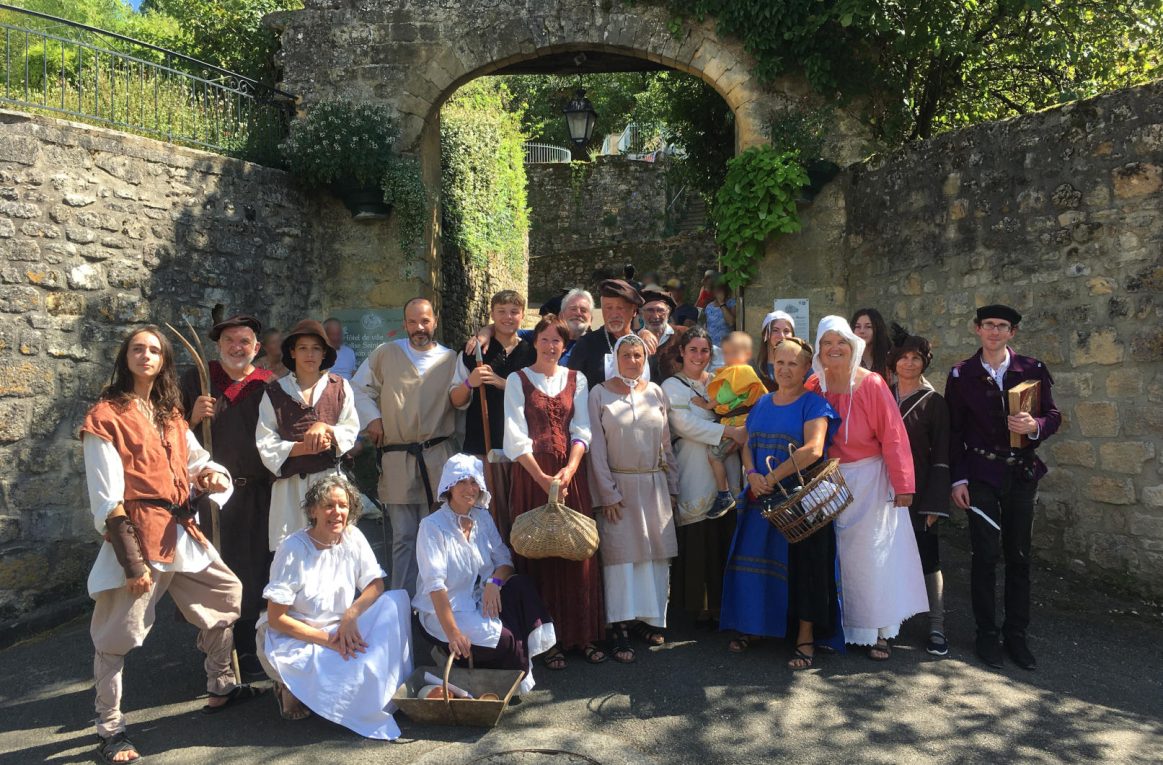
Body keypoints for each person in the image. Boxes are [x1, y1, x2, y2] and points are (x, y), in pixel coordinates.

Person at [82, 326, 259, 765]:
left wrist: (211, 475)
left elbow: (196, 459)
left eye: (155, 350)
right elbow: (106, 499)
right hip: (140, 535)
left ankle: (220, 684)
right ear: (126, 357)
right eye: (138, 349)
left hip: (181, 529)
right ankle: (110, 729)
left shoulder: (169, 413)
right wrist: (132, 563)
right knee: (116, 635)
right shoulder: (106, 416)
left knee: (226, 594)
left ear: (163, 361)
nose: (146, 355)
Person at [805, 316, 928, 660]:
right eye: (827, 343)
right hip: (828, 480)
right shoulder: (815, 385)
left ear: (854, 345)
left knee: (872, 557)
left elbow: (893, 436)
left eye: (841, 341)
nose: (835, 349)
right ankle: (836, 625)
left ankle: (876, 631)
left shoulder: (871, 384)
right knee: (835, 556)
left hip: (871, 479)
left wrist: (904, 484)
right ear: (819, 348)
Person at [945, 304, 1060, 670]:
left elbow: (1053, 415)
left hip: (1021, 474)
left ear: (1013, 333)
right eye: (989, 325)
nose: (995, 332)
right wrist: (958, 478)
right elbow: (954, 432)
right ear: (977, 329)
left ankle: (1016, 634)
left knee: (1019, 556)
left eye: (1002, 327)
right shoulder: (962, 374)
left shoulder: (1032, 369)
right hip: (980, 475)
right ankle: (986, 634)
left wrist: (1035, 426)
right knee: (984, 555)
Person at [258, 474, 413, 738]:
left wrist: (351, 615)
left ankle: (353, 687)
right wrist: (329, 640)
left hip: (341, 625)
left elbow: (375, 585)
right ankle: (288, 685)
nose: (337, 512)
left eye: (343, 506)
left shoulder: (352, 536)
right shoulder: (293, 549)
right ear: (312, 511)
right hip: (299, 636)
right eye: (329, 505)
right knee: (350, 672)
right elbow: (277, 619)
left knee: (396, 601)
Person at [722, 337, 843, 667]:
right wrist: (751, 473)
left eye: (793, 363)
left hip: (797, 501)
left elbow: (814, 449)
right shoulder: (762, 402)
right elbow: (746, 439)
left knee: (803, 569)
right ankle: (754, 626)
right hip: (759, 496)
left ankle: (805, 639)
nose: (785, 368)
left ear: (806, 368)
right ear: (771, 365)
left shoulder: (814, 404)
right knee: (754, 562)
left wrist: (771, 478)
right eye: (780, 362)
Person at [503, 314, 606, 669]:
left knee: (577, 552)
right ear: (536, 342)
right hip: (532, 475)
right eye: (545, 339)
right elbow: (515, 436)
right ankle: (547, 641)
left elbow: (582, 429)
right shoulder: (518, 380)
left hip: (569, 473)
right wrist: (542, 478)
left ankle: (583, 635)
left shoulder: (577, 379)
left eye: (557, 341)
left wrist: (570, 469)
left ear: (565, 346)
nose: (550, 346)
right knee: (539, 555)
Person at [181, 314, 275, 679]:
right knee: (215, 571)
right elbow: (169, 432)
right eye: (230, 341)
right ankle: (217, 649)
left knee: (255, 569)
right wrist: (190, 418)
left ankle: (248, 648)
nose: (238, 348)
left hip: (257, 494)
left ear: (257, 347)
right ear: (219, 346)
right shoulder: (199, 380)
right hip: (213, 497)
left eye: (245, 341)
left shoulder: (266, 384)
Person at [415, 454, 557, 694]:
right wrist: (454, 634)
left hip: (480, 598)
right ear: (449, 486)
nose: (470, 489)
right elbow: (435, 586)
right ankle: (469, 661)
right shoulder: (432, 526)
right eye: (462, 482)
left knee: (520, 586)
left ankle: (508, 661)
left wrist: (494, 582)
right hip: (445, 610)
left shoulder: (482, 518)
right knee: (505, 641)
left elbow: (504, 561)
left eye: (474, 483)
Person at [352, 297, 458, 596]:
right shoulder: (386, 354)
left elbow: (461, 404)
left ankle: (434, 601)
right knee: (403, 536)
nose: (419, 328)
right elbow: (358, 389)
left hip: (437, 457)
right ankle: (401, 600)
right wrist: (373, 419)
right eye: (412, 322)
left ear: (434, 321)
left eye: (424, 321)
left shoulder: (450, 360)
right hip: (398, 457)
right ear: (405, 323)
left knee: (436, 534)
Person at [588, 334, 679, 663]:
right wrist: (607, 493)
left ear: (645, 359)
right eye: (625, 355)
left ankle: (646, 618)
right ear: (615, 357)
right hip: (620, 485)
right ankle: (618, 626)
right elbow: (595, 449)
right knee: (621, 558)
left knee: (652, 557)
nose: (632, 360)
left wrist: (672, 487)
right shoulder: (598, 394)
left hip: (653, 484)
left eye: (638, 355)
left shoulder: (655, 392)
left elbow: (666, 445)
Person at [660, 327, 744, 627]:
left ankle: (724, 605)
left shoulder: (721, 381)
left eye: (704, 350)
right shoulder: (671, 386)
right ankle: (696, 606)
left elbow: (740, 408)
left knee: (724, 534)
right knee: (698, 537)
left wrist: (736, 431)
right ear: (682, 352)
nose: (699, 356)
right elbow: (683, 424)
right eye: (693, 349)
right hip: (694, 465)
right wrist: (727, 430)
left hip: (728, 463)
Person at [256, 319, 360, 552]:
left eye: (315, 348)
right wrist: (301, 448)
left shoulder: (340, 387)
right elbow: (265, 441)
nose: (309, 354)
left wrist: (327, 429)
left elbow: (351, 429)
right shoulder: (275, 392)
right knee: (292, 554)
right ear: (292, 352)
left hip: (330, 483)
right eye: (302, 348)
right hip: (290, 490)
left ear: (324, 353)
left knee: (335, 551)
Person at [449, 290, 536, 536]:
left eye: (514, 312)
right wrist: (470, 383)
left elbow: (539, 395)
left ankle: (517, 569)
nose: (508, 317)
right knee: (486, 514)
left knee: (519, 512)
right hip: (482, 446)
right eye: (501, 312)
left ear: (522, 315)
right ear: (492, 314)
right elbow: (455, 400)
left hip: (521, 448)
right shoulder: (473, 352)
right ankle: (490, 569)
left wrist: (502, 382)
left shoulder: (532, 352)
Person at [889, 333, 952, 657]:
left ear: (924, 362)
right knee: (887, 558)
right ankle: (888, 621)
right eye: (904, 357)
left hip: (920, 493)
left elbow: (942, 455)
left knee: (928, 559)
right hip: (884, 492)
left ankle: (936, 625)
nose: (909, 363)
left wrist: (935, 504)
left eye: (916, 358)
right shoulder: (882, 395)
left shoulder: (934, 402)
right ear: (894, 361)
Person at [691, 332, 766, 517]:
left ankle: (724, 494)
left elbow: (724, 396)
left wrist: (706, 404)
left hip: (737, 423)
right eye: (727, 353)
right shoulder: (747, 371)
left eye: (734, 352)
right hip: (748, 423)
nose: (729, 357)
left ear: (746, 353)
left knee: (714, 455)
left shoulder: (737, 372)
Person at [568, 278, 654, 386]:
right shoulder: (587, 344)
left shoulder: (642, 344)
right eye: (608, 308)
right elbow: (572, 387)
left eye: (620, 308)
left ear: (634, 311)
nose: (614, 314)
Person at [639, 284, 684, 380]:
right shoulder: (634, 338)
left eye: (660, 310)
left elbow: (710, 353)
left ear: (668, 312)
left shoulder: (684, 334)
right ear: (641, 313)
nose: (655, 316)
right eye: (650, 310)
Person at [755, 310, 797, 391]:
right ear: (765, 335)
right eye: (775, 330)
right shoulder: (755, 369)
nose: (781, 336)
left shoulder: (803, 367)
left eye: (786, 331)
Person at [851, 308, 892, 382]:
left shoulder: (889, 357)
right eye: (858, 327)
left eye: (868, 327)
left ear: (877, 329)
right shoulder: (848, 358)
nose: (862, 331)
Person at [703, 278, 736, 347]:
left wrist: (722, 303)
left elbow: (731, 322)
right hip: (712, 348)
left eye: (720, 288)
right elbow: (707, 328)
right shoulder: (709, 307)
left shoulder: (731, 303)